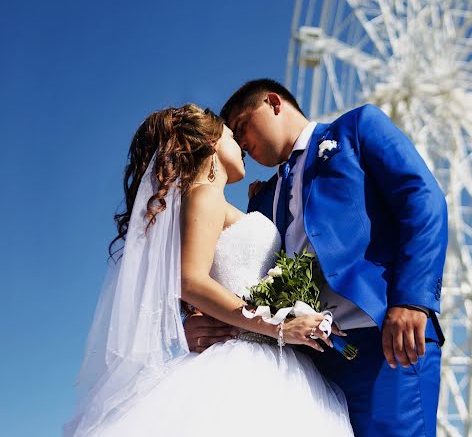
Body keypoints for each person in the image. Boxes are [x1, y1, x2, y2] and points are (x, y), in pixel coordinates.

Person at [66, 104, 354, 436]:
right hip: (252, 358)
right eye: (233, 136)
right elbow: (190, 280)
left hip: (266, 353)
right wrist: (277, 325)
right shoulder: (204, 195)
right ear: (212, 141)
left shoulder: (209, 201)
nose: (242, 147)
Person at [185, 79, 448, 437]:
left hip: (382, 337)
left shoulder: (356, 128)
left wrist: (411, 300)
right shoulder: (260, 201)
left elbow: (421, 198)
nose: (241, 142)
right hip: (305, 361)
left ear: (273, 102)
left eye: (242, 124)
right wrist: (202, 319)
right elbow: (241, 272)